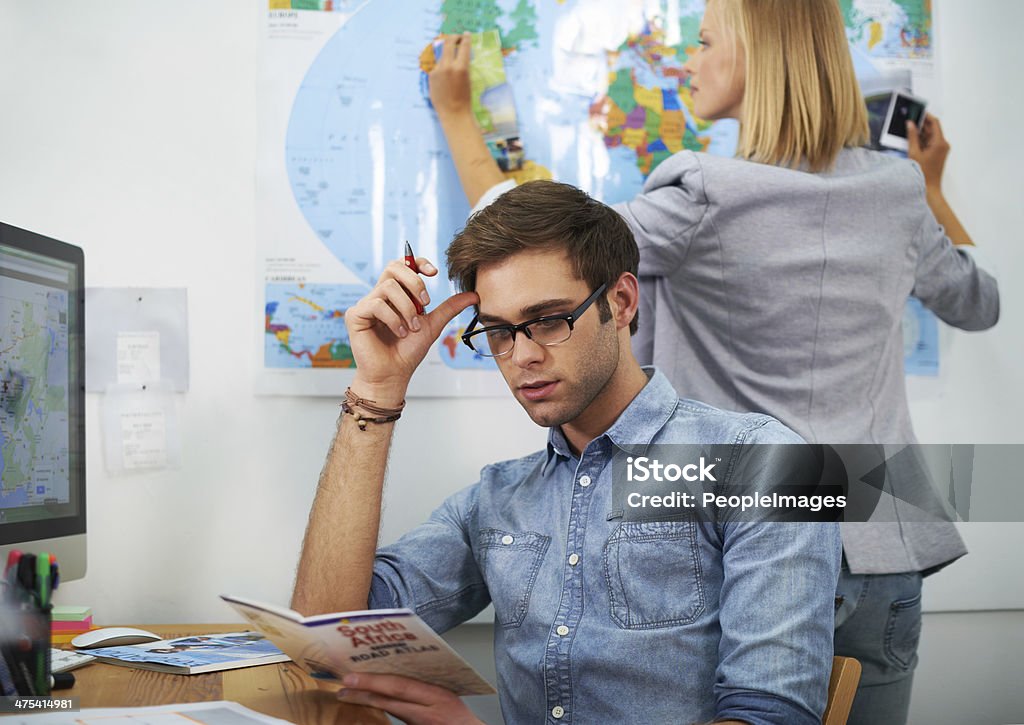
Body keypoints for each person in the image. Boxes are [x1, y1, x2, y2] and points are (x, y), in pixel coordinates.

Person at [426, 2, 1000, 724]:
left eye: (702, 42)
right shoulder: (899, 192)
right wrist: (934, 192)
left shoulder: (703, 193)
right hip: (880, 537)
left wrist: (456, 118)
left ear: (760, 55)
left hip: (745, 544)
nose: (685, 61)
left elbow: (541, 253)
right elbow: (980, 303)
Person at [291, 181, 841, 725]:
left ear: (621, 302)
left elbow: (770, 716)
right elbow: (325, 633)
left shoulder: (767, 461)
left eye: (549, 320)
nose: (522, 356)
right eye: (500, 332)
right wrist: (377, 390)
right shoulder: (497, 497)